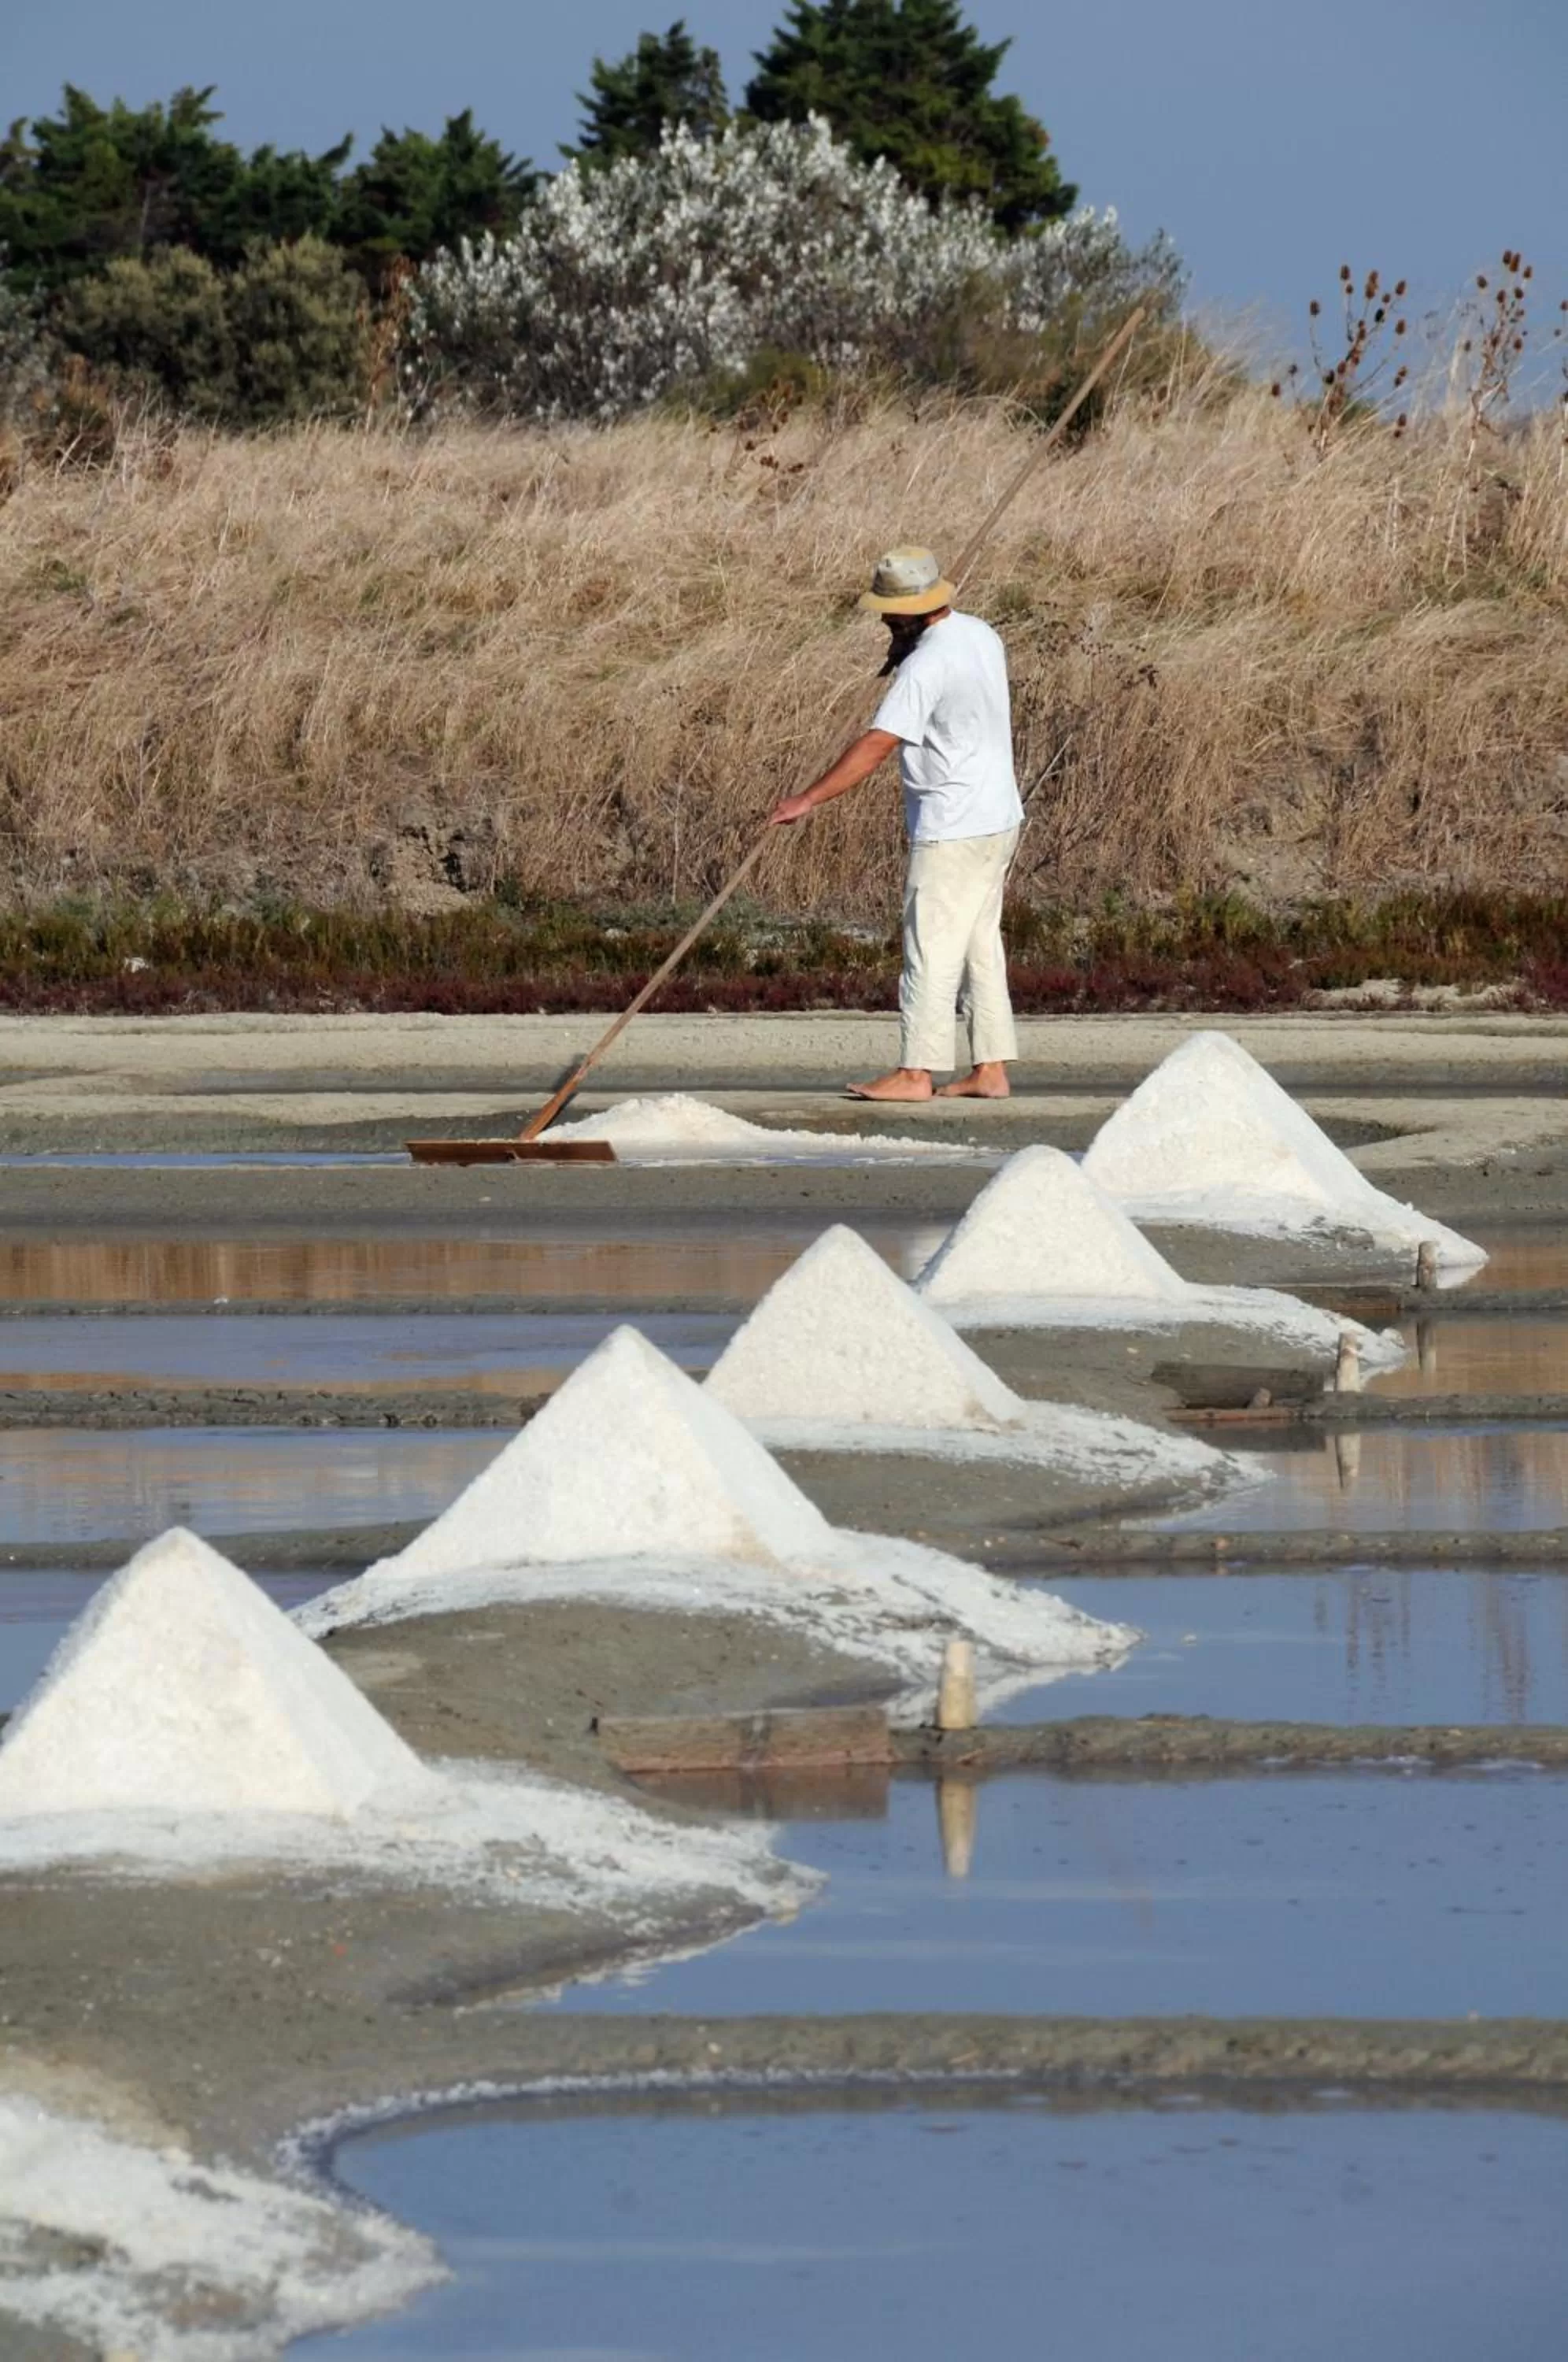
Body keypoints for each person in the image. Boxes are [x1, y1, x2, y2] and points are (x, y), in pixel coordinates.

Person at [769, 546, 1023, 1102]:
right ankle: (990, 1069)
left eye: (889, 610)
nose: (884, 618)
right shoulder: (981, 633)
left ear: (912, 610)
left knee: (929, 946)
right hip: (999, 816)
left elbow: (878, 743)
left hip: (954, 823)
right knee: (980, 943)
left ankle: (916, 1074)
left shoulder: (926, 664)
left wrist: (808, 800)